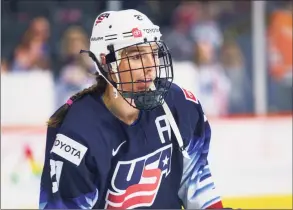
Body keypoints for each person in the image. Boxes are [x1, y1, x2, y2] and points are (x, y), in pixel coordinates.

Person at [39, 9, 223, 209]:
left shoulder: (180, 105)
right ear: (106, 63)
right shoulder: (78, 135)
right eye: (136, 56)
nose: (150, 66)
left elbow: (196, 186)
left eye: (153, 53)